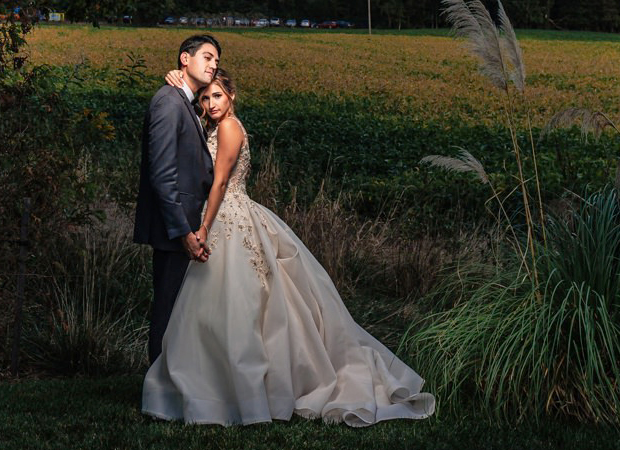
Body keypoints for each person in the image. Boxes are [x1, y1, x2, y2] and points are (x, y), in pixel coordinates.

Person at [142, 68, 436, 427]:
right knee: (214, 309)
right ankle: (217, 387)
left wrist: (203, 226)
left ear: (231, 96)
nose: (210, 103)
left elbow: (219, 183)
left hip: (227, 215)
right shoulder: (212, 127)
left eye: (217, 95)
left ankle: (242, 391)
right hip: (221, 215)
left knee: (240, 307)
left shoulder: (231, 128)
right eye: (205, 98)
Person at [133, 34, 221, 364]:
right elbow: (162, 174)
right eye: (208, 57)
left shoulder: (184, 102)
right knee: (168, 309)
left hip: (187, 226)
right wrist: (183, 231)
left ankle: (174, 381)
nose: (214, 64)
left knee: (179, 310)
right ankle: (158, 388)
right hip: (176, 229)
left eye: (217, 61)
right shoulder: (168, 102)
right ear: (185, 59)